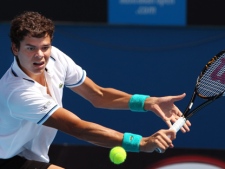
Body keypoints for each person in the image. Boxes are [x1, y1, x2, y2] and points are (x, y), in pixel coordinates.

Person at [0, 11, 191, 169]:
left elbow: (98, 95)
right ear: (15, 48)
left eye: (45, 47)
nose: (40, 55)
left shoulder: (56, 58)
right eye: (30, 48)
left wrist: (147, 102)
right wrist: (141, 143)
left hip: (26, 155)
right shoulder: (17, 92)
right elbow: (78, 128)